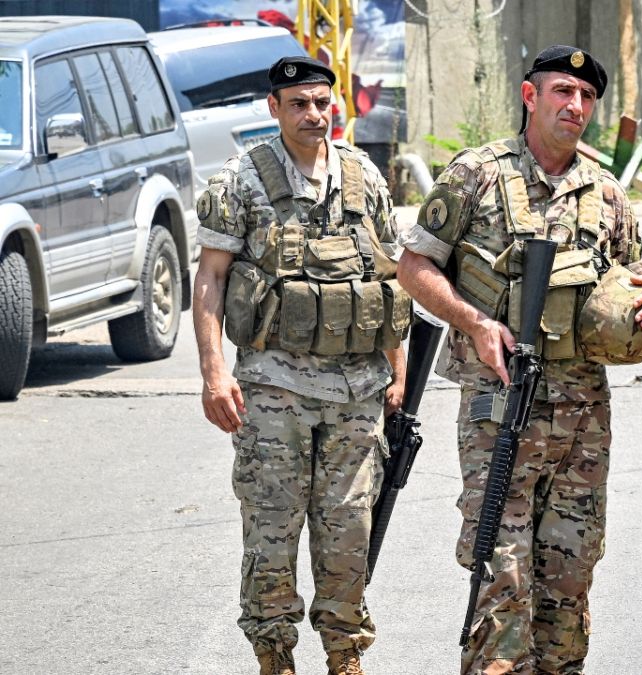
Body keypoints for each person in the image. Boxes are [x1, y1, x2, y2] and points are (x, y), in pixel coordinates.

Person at [394, 45, 642, 674]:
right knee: (501, 577)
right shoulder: (477, 174)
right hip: (499, 410)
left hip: (582, 418)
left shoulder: (607, 193)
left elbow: (630, 285)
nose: (575, 105)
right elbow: (414, 265)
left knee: (568, 582)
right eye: (562, 92)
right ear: (531, 97)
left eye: (586, 96)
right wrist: (474, 322)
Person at [192, 55, 408, 675]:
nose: (314, 115)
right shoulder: (242, 180)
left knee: (349, 528)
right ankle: (274, 654)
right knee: (271, 526)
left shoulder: (365, 175)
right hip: (272, 386)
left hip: (357, 388)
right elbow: (210, 278)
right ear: (274, 108)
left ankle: (345, 653)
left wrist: (398, 367)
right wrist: (214, 373)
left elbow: (390, 274)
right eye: (299, 104)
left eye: (321, 103)